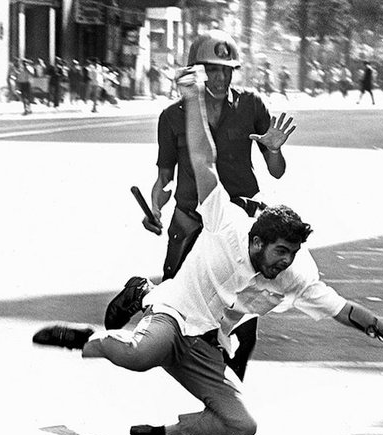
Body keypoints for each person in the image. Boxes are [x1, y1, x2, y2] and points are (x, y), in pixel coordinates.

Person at [32, 64, 383, 435]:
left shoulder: (296, 273)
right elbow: (202, 160)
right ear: (257, 242)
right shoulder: (227, 224)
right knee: (142, 354)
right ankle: (88, 337)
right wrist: (191, 98)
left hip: (208, 342)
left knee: (243, 424)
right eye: (281, 252)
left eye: (292, 254)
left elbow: (343, 310)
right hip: (174, 317)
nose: (285, 262)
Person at [103, 29, 289, 385]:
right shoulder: (173, 116)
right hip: (192, 221)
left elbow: (276, 171)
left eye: (227, 70)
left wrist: (275, 150)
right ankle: (140, 291)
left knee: (243, 320)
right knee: (173, 310)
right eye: (211, 70)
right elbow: (164, 178)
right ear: (196, 70)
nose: (219, 78)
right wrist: (155, 206)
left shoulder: (251, 106)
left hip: (240, 227)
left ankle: (227, 400)